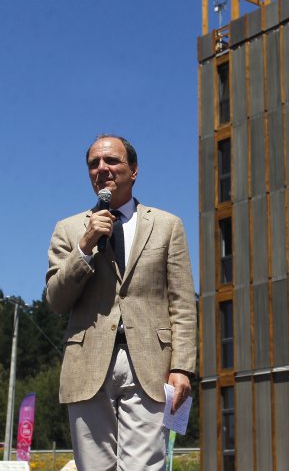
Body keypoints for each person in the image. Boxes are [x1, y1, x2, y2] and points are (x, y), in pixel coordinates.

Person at [46, 134, 196, 470]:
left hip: (151, 363)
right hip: (86, 363)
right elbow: (56, 300)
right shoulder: (69, 229)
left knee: (145, 466)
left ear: (134, 170)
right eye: (93, 164)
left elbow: (182, 302)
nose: (102, 169)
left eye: (112, 161)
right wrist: (84, 248)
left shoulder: (167, 225)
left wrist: (183, 366)